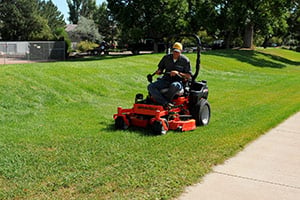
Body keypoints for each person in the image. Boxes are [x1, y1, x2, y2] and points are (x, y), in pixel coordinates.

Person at [148, 42, 192, 107]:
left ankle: (167, 102)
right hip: (166, 80)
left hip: (179, 81)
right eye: (174, 51)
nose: (175, 53)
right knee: (151, 86)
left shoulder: (185, 61)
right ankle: (165, 103)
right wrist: (158, 71)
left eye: (177, 52)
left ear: (181, 52)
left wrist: (178, 73)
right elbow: (160, 69)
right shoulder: (166, 58)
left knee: (174, 85)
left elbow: (188, 76)